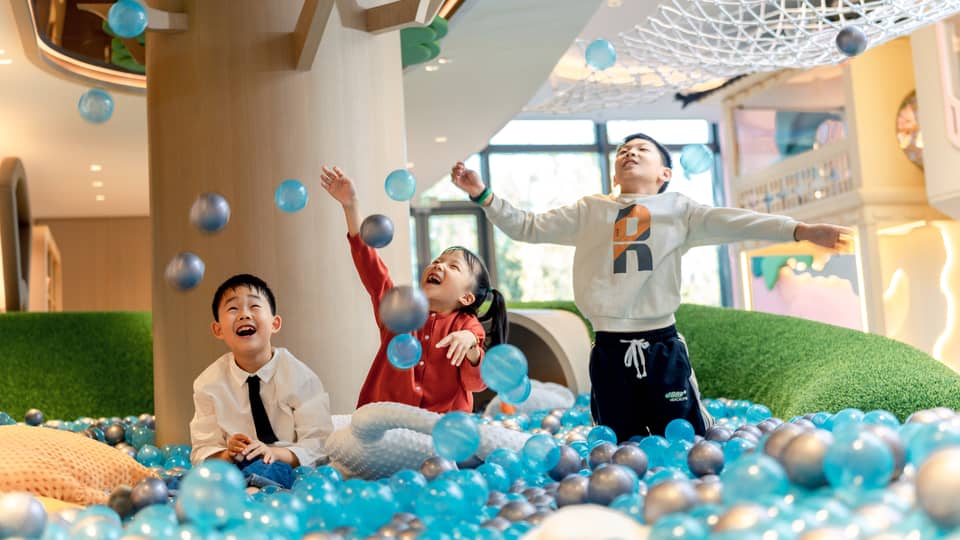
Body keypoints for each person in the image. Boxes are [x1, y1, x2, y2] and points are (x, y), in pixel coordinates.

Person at [450, 133, 852, 440]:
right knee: (616, 444)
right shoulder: (591, 210)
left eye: (641, 149)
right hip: (608, 351)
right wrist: (482, 194)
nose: (629, 152)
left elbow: (737, 221)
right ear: (613, 172)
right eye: (623, 150)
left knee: (688, 438)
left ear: (665, 173)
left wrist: (800, 230)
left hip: (661, 347)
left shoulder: (680, 210)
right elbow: (527, 227)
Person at [320, 165, 508, 413]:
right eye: (438, 260)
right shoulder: (398, 309)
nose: (438, 265)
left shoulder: (466, 326)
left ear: (466, 297)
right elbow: (371, 268)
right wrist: (350, 204)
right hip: (385, 423)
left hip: (441, 432)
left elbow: (475, 382)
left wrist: (470, 344)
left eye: (453, 266)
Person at [189, 274, 333, 489]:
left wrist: (273, 453)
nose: (244, 314)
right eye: (233, 309)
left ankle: (249, 486)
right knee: (199, 480)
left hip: (285, 465)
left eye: (254, 306)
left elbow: (320, 444)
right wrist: (227, 454)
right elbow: (202, 449)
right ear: (218, 329)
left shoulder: (300, 377)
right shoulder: (208, 384)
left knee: (271, 471)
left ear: (275, 323)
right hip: (233, 470)